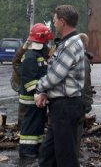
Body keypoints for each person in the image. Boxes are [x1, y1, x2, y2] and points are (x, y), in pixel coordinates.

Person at [35, 4, 85, 167]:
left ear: (63, 21)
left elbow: (55, 76)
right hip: (60, 106)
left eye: (55, 21)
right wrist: (45, 93)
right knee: (47, 156)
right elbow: (57, 78)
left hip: (65, 106)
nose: (54, 24)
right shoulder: (66, 43)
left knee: (66, 158)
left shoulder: (70, 45)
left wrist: (40, 89)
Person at [18, 23, 53, 159]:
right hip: (31, 98)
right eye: (46, 41)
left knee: (37, 125)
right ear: (41, 39)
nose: (47, 44)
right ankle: (27, 150)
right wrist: (37, 94)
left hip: (38, 98)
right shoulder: (30, 56)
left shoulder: (37, 54)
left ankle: (35, 148)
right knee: (30, 125)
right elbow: (30, 79)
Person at [76, 33, 94, 156]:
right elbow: (85, 82)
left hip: (67, 99)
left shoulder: (70, 54)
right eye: (87, 43)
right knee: (77, 126)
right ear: (84, 43)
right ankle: (75, 152)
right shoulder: (83, 58)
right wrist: (88, 101)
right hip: (78, 100)